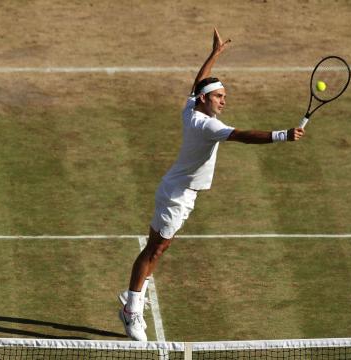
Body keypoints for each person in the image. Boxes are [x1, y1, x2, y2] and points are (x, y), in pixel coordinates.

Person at [118, 28, 305, 341]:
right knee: (155, 250)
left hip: (178, 190)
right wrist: (282, 135)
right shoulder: (207, 124)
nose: (224, 101)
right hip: (177, 195)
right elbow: (242, 135)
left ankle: (134, 295)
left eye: (225, 97)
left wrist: (215, 53)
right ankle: (131, 308)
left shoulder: (192, 107)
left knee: (158, 248)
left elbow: (199, 82)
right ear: (205, 100)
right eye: (219, 96)